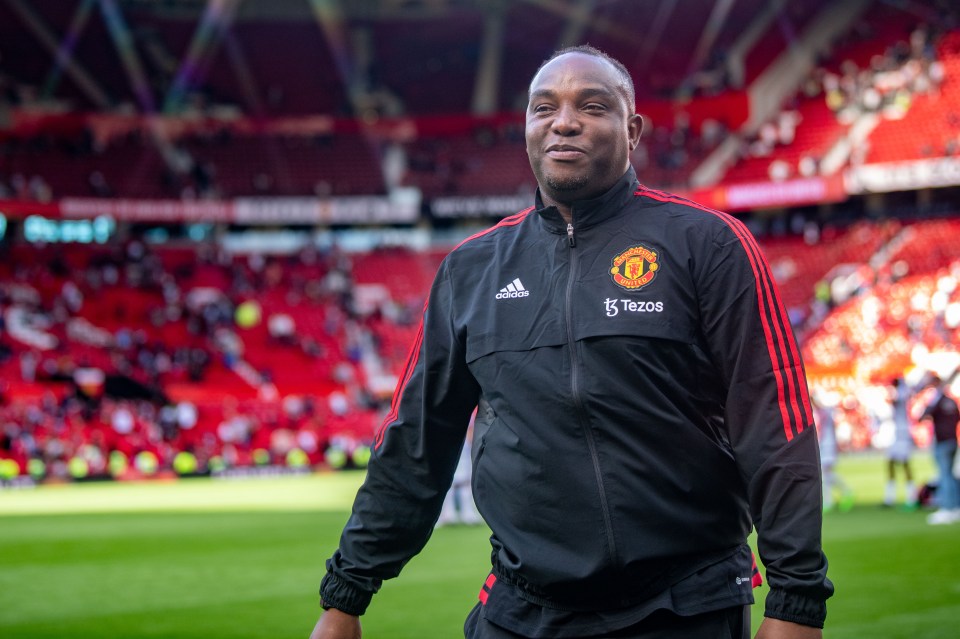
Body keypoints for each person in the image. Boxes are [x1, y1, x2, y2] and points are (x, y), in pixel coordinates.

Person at [310, 45, 832, 639]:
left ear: (631, 129)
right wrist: (345, 598)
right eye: (544, 108)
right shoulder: (470, 270)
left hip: (684, 607)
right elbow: (415, 444)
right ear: (528, 128)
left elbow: (776, 427)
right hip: (520, 612)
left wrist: (796, 606)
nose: (564, 121)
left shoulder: (709, 245)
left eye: (592, 105)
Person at [920, 375, 960, 525]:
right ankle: (955, 507)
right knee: (951, 475)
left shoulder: (937, 399)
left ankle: (947, 508)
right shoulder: (951, 401)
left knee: (944, 476)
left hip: (942, 441)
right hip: (953, 441)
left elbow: (924, 415)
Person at [813, 394, 854, 513]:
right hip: (825, 444)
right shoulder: (824, 412)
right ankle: (835, 497)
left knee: (825, 474)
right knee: (826, 474)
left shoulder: (826, 411)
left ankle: (840, 494)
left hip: (828, 445)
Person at [884, 377, 917, 508]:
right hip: (896, 434)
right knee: (891, 464)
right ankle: (889, 498)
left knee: (905, 465)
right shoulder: (900, 392)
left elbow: (897, 400)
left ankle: (911, 497)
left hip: (903, 434)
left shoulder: (902, 392)